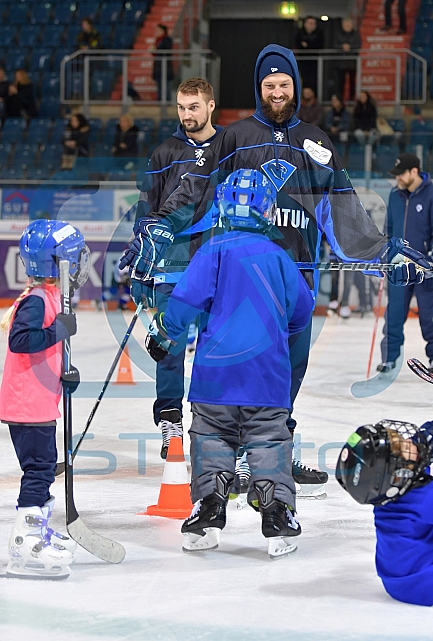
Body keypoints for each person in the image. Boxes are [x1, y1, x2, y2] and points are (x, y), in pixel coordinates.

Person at [120, 44, 431, 499]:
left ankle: (272, 452)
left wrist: (384, 255)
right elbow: (196, 191)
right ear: (259, 90)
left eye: (284, 84)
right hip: (241, 281)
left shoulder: (317, 142)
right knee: (239, 367)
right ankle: (237, 460)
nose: (277, 91)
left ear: (296, 89)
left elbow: (344, 215)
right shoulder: (236, 136)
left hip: (297, 281)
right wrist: (158, 228)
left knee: (292, 368)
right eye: (269, 86)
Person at [146, 169, 314, 557]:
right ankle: (276, 515)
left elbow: (184, 303)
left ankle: (208, 507)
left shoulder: (211, 251)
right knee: (269, 439)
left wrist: (163, 336)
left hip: (214, 379)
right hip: (266, 379)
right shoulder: (279, 257)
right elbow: (302, 314)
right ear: (267, 210)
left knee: (210, 437)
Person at [131, 77, 223, 458]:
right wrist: (141, 254)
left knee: (216, 347)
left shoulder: (230, 147)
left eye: (194, 107)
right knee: (168, 347)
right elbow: (147, 211)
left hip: (217, 264)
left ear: (210, 106)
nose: (187, 115)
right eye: (182, 108)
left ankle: (212, 423)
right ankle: (171, 422)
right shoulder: (164, 152)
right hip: (172, 269)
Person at [0, 219, 90, 580]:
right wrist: (58, 331)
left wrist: (62, 378)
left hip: (37, 400)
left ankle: (37, 530)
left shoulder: (49, 295)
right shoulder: (37, 301)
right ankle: (25, 541)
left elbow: (45, 356)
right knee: (38, 470)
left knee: (43, 466)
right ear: (61, 263)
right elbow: (21, 342)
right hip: (27, 405)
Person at [336, 418, 433, 606]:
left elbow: (418, 456)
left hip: (400, 583)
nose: (410, 443)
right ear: (397, 471)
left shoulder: (391, 496)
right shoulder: (423, 499)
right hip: (426, 585)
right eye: (405, 446)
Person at [377, 153, 433, 373]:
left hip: (425, 268)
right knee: (394, 315)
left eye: (401, 174)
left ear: (414, 172)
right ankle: (389, 359)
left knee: (429, 316)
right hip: (400, 267)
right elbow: (389, 229)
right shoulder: (394, 195)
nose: (398, 178)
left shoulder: (431, 194)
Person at [333, 18, 361, 101]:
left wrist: (350, 47)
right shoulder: (338, 34)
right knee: (340, 82)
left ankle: (351, 99)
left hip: (352, 62)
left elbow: (358, 45)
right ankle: (340, 99)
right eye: (345, 25)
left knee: (352, 82)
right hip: (340, 62)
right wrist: (342, 47)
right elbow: (334, 45)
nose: (347, 26)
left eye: (349, 25)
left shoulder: (356, 34)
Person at [294, 16, 324, 92]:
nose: (312, 25)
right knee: (303, 79)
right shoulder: (299, 33)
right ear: (305, 24)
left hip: (315, 61)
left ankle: (315, 97)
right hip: (303, 61)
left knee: (315, 79)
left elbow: (319, 45)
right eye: (310, 23)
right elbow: (298, 45)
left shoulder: (319, 33)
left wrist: (308, 45)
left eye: (314, 23)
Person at [152, 24, 173, 102]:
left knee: (166, 85)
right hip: (158, 66)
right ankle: (160, 101)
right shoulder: (157, 40)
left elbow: (166, 51)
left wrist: (157, 50)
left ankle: (166, 102)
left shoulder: (167, 40)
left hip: (165, 66)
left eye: (158, 30)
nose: (157, 32)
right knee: (159, 85)